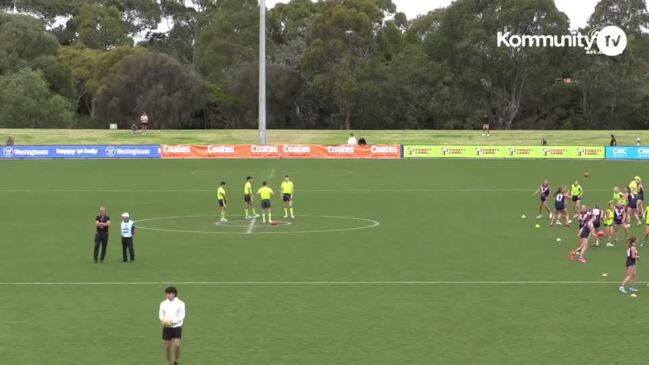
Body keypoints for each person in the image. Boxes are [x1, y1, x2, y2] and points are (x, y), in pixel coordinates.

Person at [159, 286, 186, 365]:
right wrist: (163, 321)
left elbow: (182, 316)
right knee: (167, 348)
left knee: (177, 345)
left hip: (176, 327)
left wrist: (172, 322)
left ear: (174, 294)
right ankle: (169, 363)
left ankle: (176, 360)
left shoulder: (181, 303)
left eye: (169, 293)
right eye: (167, 293)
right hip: (166, 327)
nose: (168, 295)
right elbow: (160, 314)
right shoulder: (163, 303)